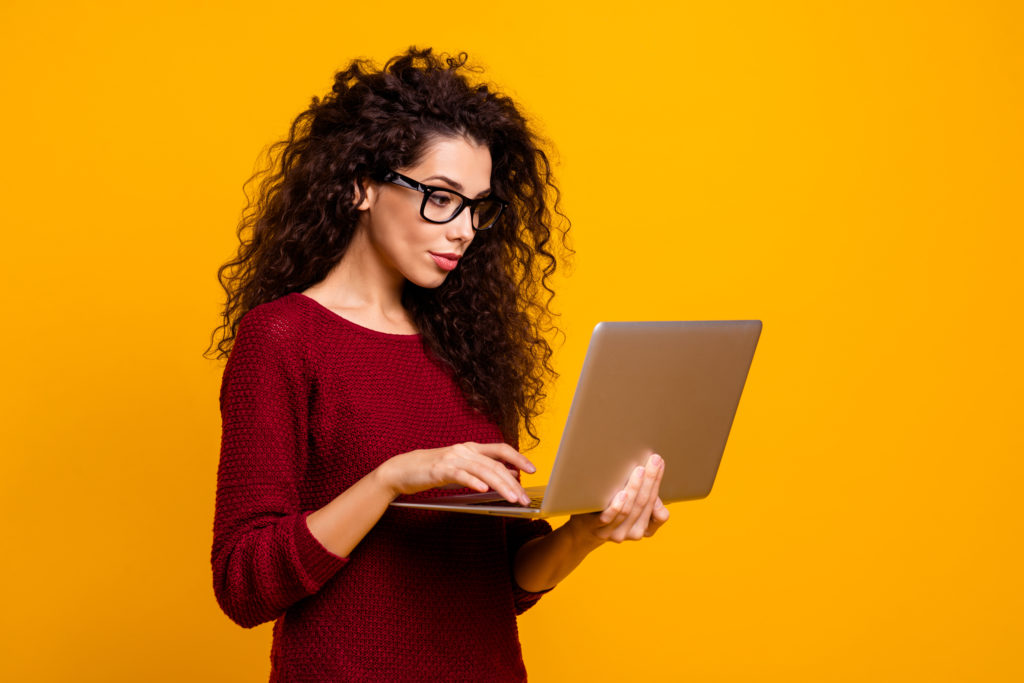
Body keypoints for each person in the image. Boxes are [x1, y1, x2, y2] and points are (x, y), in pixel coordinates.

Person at [208, 46, 670, 682]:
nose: (462, 230)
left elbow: (499, 582)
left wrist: (584, 533)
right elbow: (244, 584)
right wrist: (392, 479)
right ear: (361, 185)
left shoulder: (469, 347)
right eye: (441, 197)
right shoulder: (284, 338)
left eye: (476, 207)